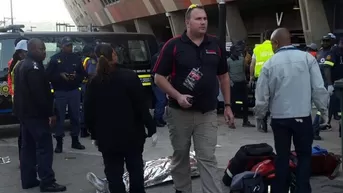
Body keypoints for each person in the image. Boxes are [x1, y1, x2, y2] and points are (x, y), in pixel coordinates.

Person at [153, 4, 234, 193]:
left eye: (205, 19)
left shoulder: (215, 45)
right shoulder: (173, 45)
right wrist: (178, 96)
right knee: (180, 155)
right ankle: (182, 189)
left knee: (207, 156)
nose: (203, 22)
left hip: (207, 113)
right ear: (187, 22)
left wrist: (228, 105)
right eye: (199, 19)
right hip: (179, 112)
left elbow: (224, 76)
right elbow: (158, 77)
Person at [254, 28, 329, 193]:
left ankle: (281, 188)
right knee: (304, 156)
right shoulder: (308, 59)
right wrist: (323, 111)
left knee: (282, 156)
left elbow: (262, 97)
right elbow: (318, 88)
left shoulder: (270, 64)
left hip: (280, 118)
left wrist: (260, 117)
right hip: (302, 116)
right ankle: (302, 189)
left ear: (276, 43)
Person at [84, 43, 156, 193]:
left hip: (107, 137)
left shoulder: (94, 81)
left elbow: (88, 111)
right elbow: (141, 106)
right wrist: (151, 127)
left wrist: (93, 133)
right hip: (132, 134)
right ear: (114, 55)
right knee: (135, 169)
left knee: (113, 174)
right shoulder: (129, 76)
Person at [13, 38, 66, 192]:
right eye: (42, 49)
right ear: (33, 49)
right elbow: (40, 95)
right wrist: (50, 113)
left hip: (25, 114)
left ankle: (28, 179)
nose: (44, 53)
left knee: (27, 147)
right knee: (44, 147)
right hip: (35, 115)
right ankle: (47, 181)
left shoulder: (22, 65)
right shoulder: (34, 68)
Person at [46, 36, 86, 153]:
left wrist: (75, 77)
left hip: (73, 91)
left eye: (71, 45)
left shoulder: (76, 58)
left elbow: (82, 74)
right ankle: (59, 143)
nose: (70, 47)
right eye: (67, 46)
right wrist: (60, 75)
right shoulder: (54, 59)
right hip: (60, 92)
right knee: (60, 118)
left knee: (75, 116)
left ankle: (75, 141)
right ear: (62, 46)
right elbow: (47, 76)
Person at [250, 29, 274, 132]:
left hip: (260, 78)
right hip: (273, 77)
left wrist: (251, 77)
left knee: (260, 101)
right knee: (274, 100)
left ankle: (259, 123)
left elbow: (252, 64)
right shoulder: (275, 47)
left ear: (264, 37)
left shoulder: (257, 48)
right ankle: (273, 121)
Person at [9, 39, 28, 161]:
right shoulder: (19, 65)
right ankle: (24, 159)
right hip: (22, 102)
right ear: (20, 53)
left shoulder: (16, 63)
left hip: (19, 101)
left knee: (24, 132)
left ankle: (24, 158)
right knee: (25, 133)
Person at [227, 45, 255, 127]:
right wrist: (231, 83)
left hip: (242, 83)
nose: (238, 52)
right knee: (233, 103)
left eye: (238, 51)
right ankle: (231, 122)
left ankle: (245, 121)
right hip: (234, 85)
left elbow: (244, 69)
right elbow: (227, 74)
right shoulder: (228, 61)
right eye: (236, 51)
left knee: (245, 103)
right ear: (232, 52)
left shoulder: (242, 59)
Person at [79, 44, 97, 138]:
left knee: (84, 107)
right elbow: (91, 74)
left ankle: (83, 129)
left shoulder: (82, 59)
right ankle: (87, 129)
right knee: (90, 107)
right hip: (88, 85)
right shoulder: (90, 60)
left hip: (83, 85)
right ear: (90, 52)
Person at [151, 42, 167, 127]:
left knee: (162, 101)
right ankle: (157, 118)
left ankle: (159, 118)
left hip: (160, 81)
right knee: (161, 101)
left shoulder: (159, 56)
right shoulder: (158, 57)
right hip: (158, 82)